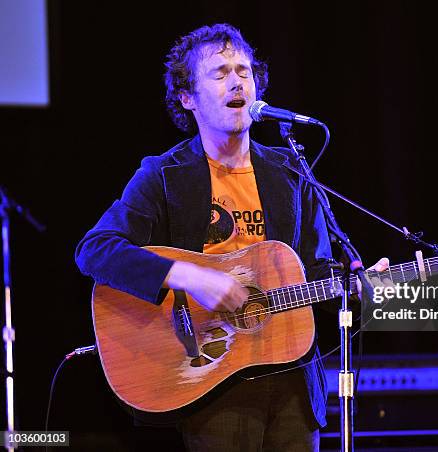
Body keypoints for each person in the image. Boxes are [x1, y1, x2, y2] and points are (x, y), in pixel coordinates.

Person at [75, 23, 387, 451]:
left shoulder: (291, 171)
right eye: (219, 73)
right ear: (188, 99)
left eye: (244, 70)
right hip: (211, 380)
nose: (237, 80)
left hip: (291, 376)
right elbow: (96, 251)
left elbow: (313, 271)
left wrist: (356, 282)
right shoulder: (163, 174)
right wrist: (191, 277)